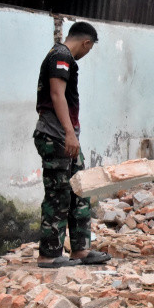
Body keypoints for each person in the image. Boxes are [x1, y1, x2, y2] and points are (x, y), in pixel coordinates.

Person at [34, 22, 111, 268]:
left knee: (81, 190)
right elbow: (57, 94)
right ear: (87, 43)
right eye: (89, 48)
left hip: (66, 136)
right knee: (58, 195)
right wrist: (69, 132)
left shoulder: (62, 56)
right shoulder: (61, 55)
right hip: (55, 135)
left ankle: (80, 250)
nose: (86, 53)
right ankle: (49, 254)